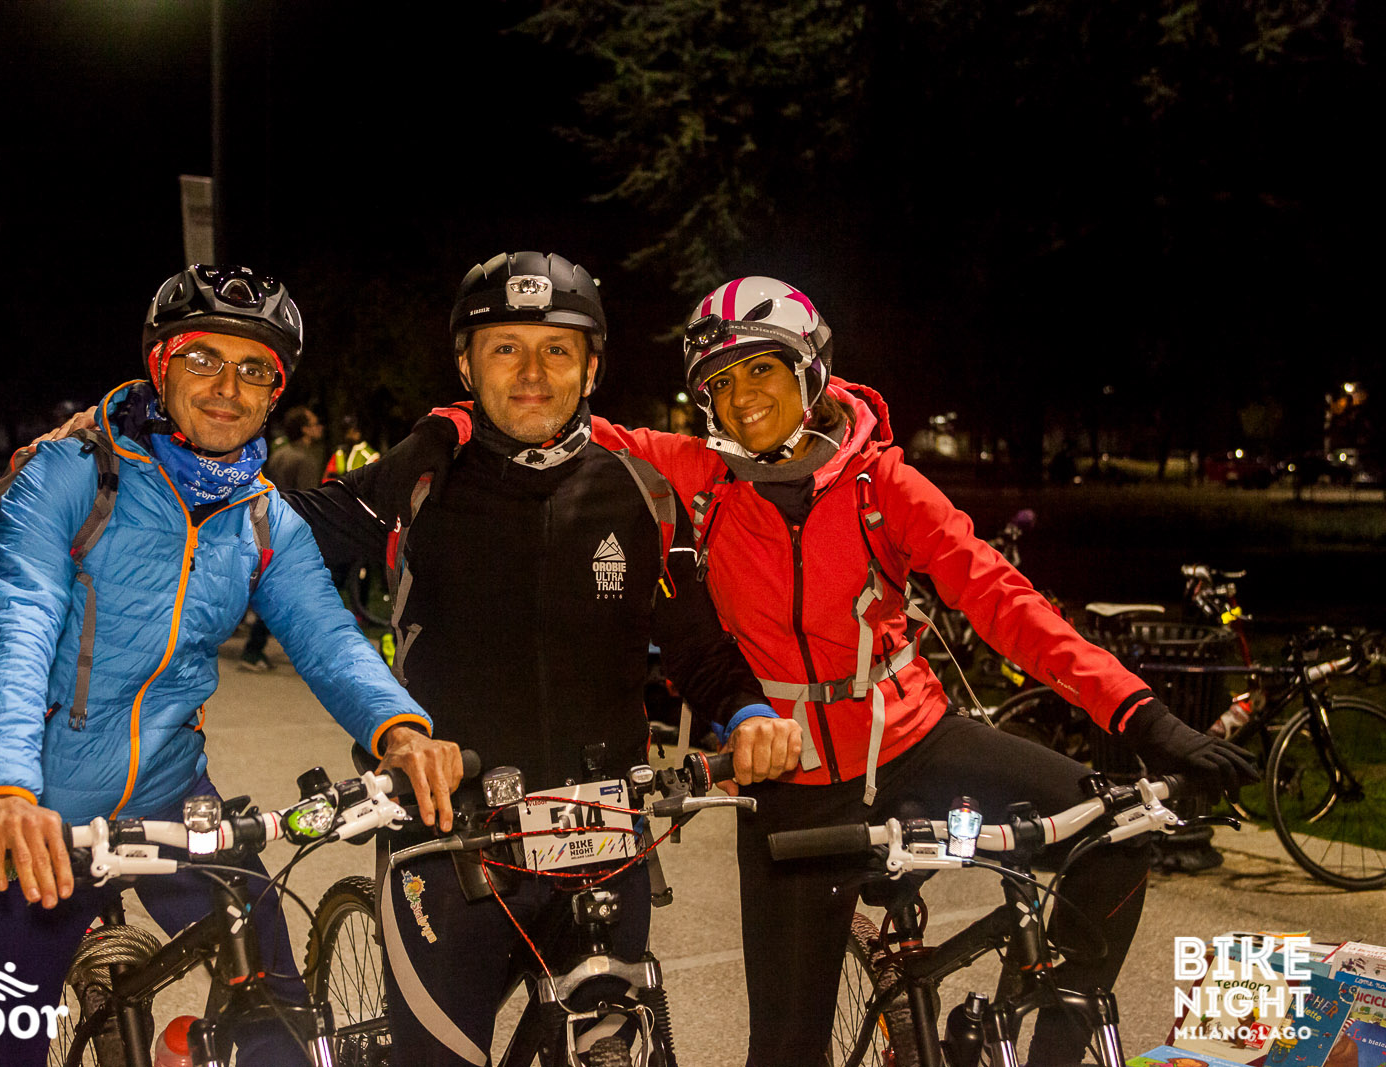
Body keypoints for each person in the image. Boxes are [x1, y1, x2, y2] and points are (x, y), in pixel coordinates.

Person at [407, 275, 1260, 1066]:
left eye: (763, 369)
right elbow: (545, 412)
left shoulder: (884, 484)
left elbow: (1002, 598)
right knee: (787, 1049)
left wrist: (1144, 717)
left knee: (1117, 835)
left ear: (809, 370)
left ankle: (1052, 1039)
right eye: (721, 383)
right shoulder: (698, 478)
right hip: (791, 774)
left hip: (915, 741)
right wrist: (449, 425)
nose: (744, 396)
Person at [280, 251, 794, 1067]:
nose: (531, 372)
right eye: (505, 348)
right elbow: (259, 528)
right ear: (465, 365)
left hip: (606, 842)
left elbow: (697, 646)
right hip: (449, 845)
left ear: (590, 368)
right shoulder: (425, 476)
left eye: (556, 349)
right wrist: (133, 447)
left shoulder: (642, 490)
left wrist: (751, 712)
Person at [0, 265, 457, 1065]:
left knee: (278, 1021)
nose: (228, 387)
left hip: (173, 798)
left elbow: (327, 635)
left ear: (274, 391)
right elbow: (13, 624)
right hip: (45, 808)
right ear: (161, 367)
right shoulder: (68, 474)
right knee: (2, 1045)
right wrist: (5, 791)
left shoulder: (263, 515)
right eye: (203, 359)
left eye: (254, 368)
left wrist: (401, 730)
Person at [238, 404, 326, 671]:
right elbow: (309, 502)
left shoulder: (279, 454)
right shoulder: (306, 460)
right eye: (313, 423)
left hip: (270, 526)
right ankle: (254, 650)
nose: (319, 427)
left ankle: (260, 648)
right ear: (304, 430)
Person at [323, 412, 379, 479]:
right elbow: (327, 477)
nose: (348, 435)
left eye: (352, 430)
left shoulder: (371, 456)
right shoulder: (340, 452)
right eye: (346, 431)